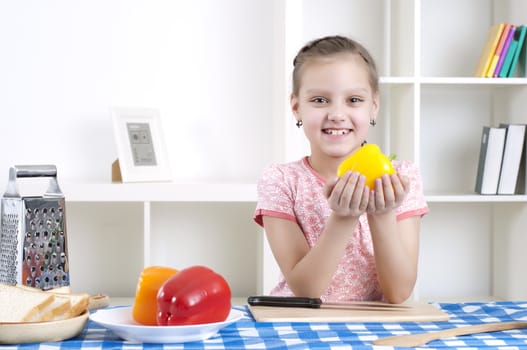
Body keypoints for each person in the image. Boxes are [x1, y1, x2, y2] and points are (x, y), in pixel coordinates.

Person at [253, 35, 428, 304]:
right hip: (300, 321)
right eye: (320, 100)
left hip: (373, 323)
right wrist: (343, 217)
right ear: (297, 108)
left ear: (374, 106)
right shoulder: (281, 180)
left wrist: (382, 213)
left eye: (354, 100)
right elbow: (306, 291)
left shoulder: (401, 178)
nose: (336, 113)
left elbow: (399, 292)